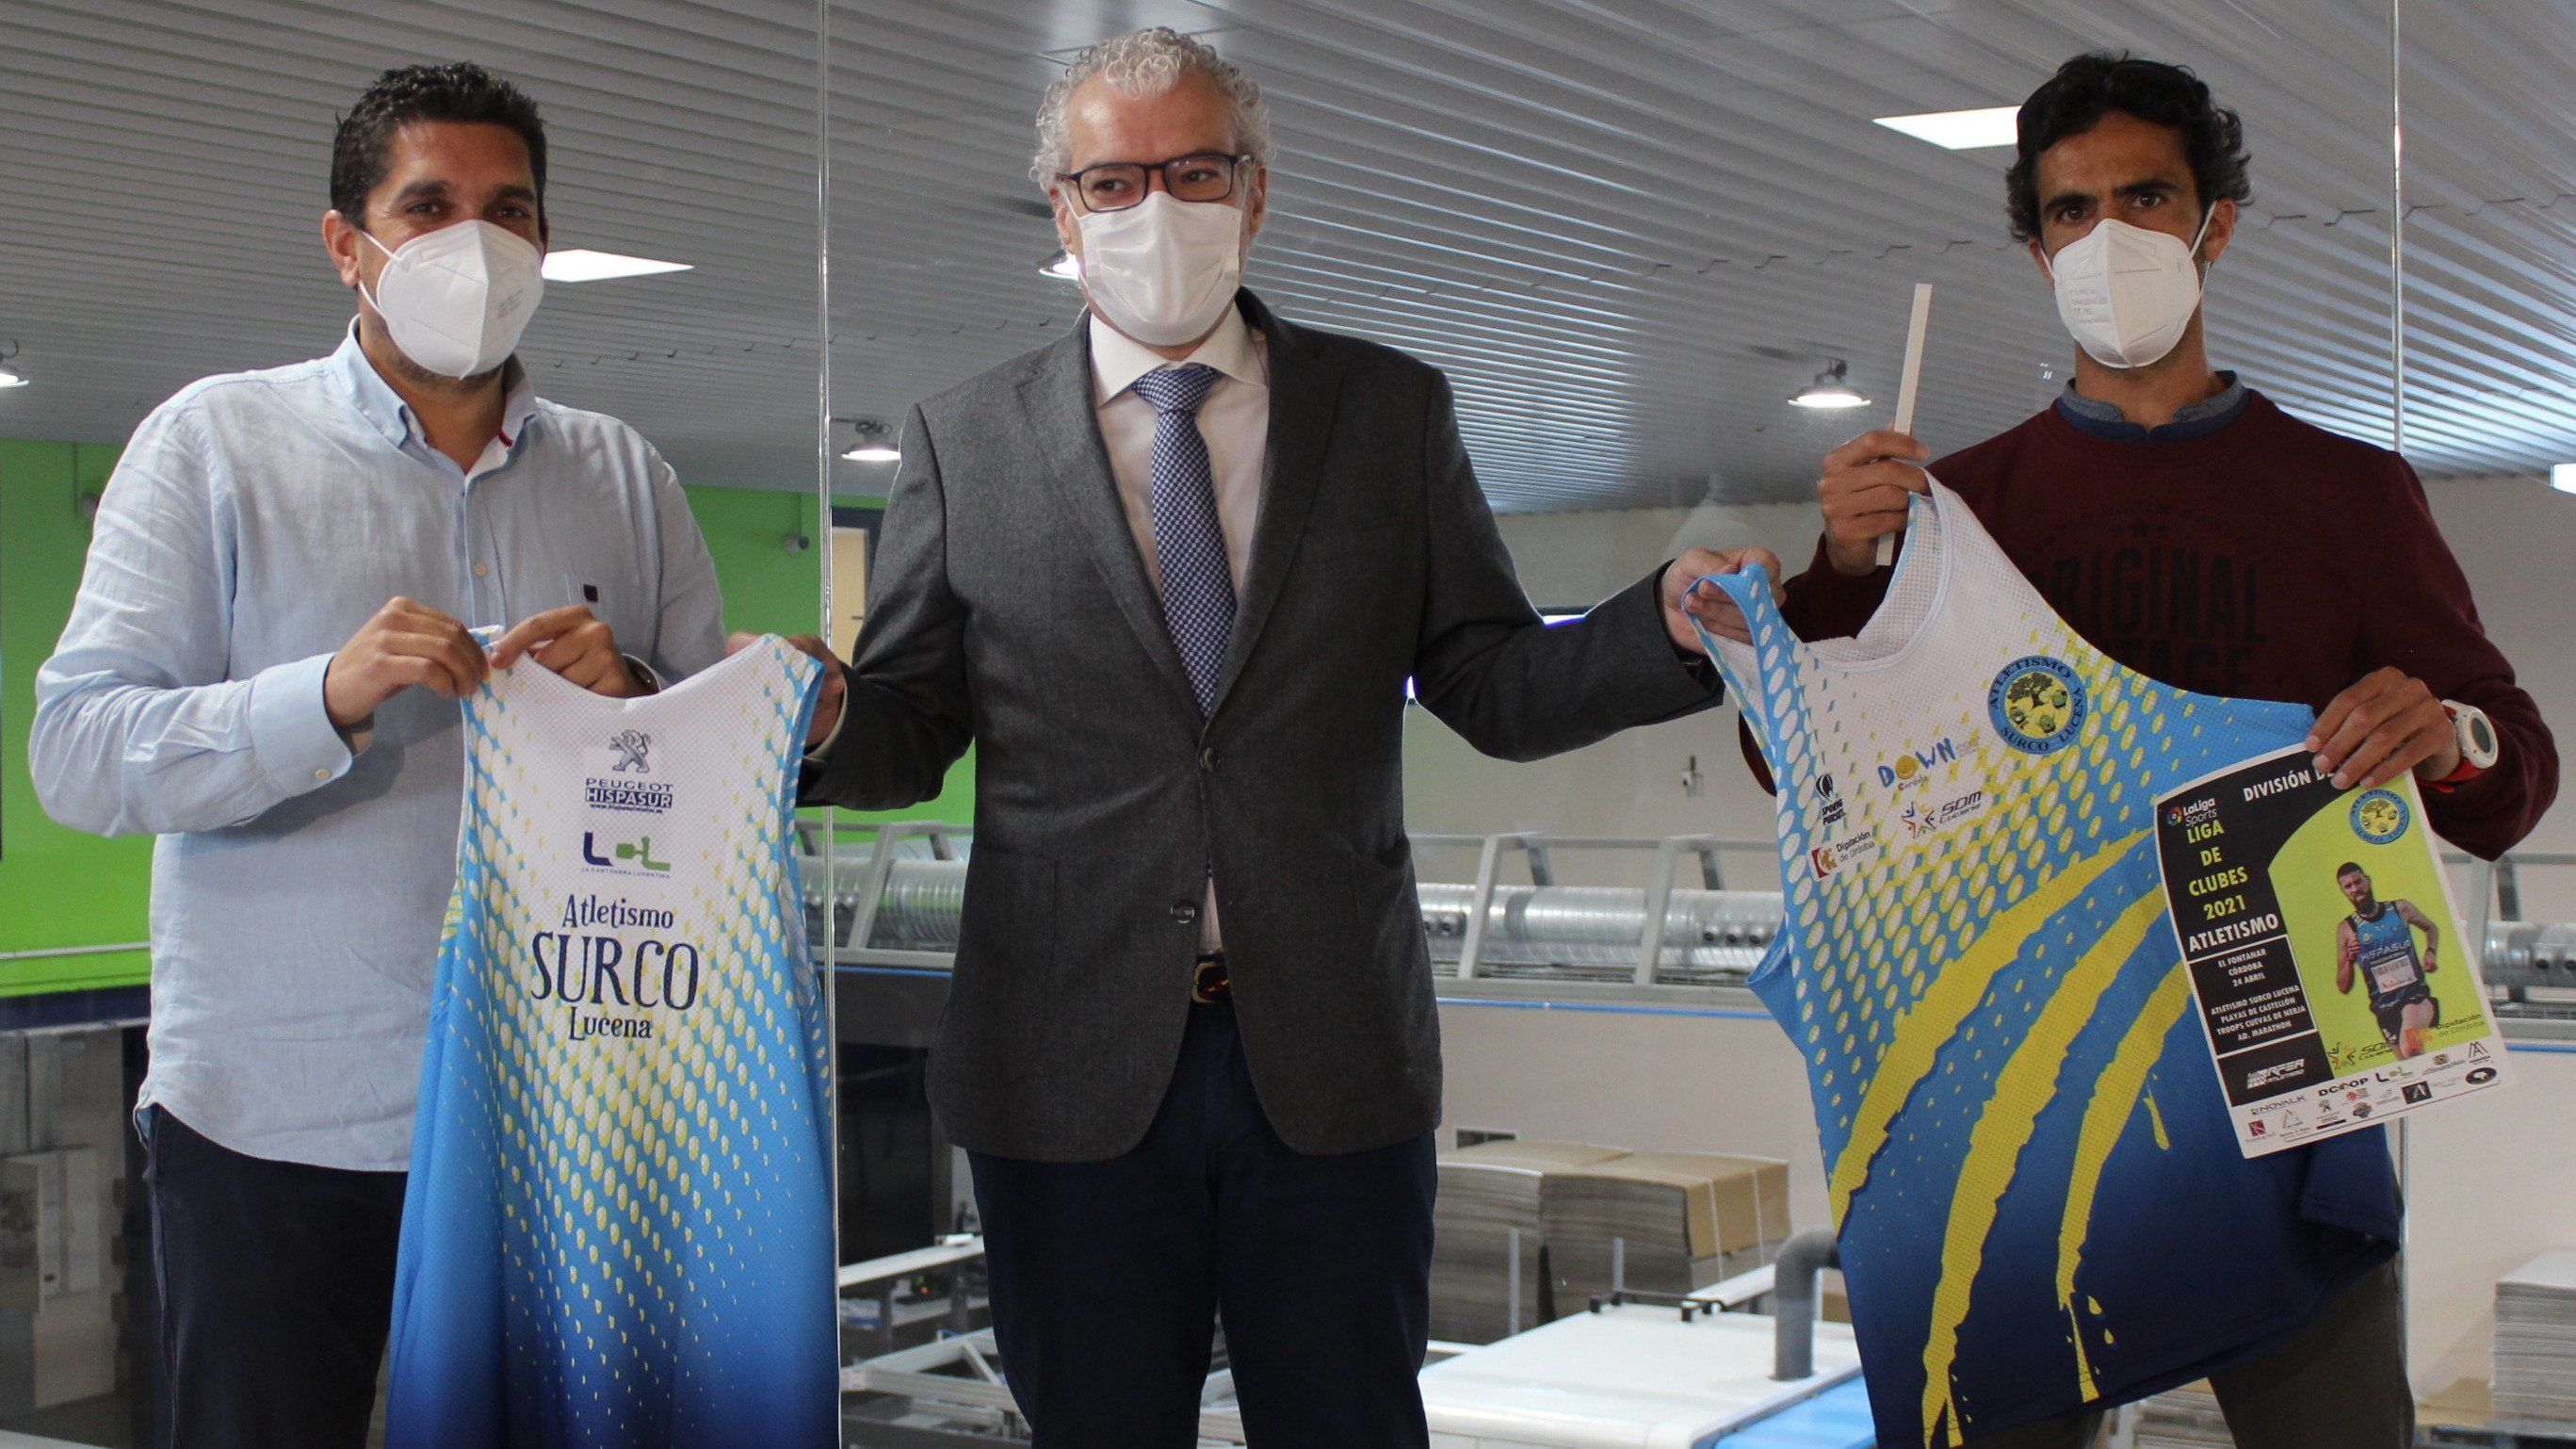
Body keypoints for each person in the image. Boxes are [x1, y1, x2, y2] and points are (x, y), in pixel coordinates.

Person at [780, 26, 1768, 1448]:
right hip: (1063, 1067)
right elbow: (912, 729)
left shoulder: (1385, 414)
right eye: (1111, 181)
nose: (1152, 210)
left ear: (1255, 189)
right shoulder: (963, 440)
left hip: (1330, 1055)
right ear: (1059, 211)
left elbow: (1485, 678)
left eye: (1191, 170)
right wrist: (826, 718)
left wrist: (1657, 629)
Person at [1764, 50, 2556, 1449]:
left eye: (2145, 198)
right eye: (2070, 211)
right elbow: (1807, 779)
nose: (2107, 238)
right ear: (2030, 244)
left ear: (2214, 224)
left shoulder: (2346, 494)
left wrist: (2448, 733)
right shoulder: (1956, 511)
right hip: (2023, 1076)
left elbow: (2510, 780)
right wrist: (1835, 577)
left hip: (2286, 1062)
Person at [30, 62, 725, 1449]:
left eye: (509, 208)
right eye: (429, 206)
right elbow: (77, 750)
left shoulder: (624, 475)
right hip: (283, 1119)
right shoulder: (216, 445)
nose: (475, 242)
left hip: (563, 1111)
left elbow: (714, 763)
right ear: (347, 243)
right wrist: (321, 698)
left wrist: (640, 693)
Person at [2334, 862, 2441, 1059]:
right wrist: (2349, 960)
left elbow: (2431, 928)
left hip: (2416, 998)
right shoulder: (2346, 928)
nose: (2355, 888)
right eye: (2348, 886)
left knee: (2412, 1048)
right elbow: (2342, 986)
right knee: (2408, 1064)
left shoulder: (2400, 908)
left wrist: (2431, 951)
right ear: (2343, 892)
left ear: (2368, 880)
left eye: (2358, 882)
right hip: (2383, 1009)